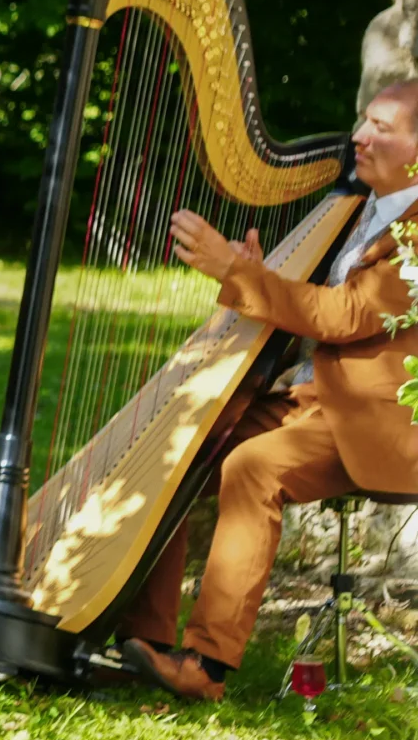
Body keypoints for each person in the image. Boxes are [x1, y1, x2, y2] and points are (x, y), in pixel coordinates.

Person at [118, 81, 418, 701]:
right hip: (308, 401)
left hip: (370, 421)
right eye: (363, 121)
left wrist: (238, 273)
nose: (359, 137)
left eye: (381, 129)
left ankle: (206, 666)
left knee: (253, 466)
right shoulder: (360, 207)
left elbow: (343, 315)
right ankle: (142, 638)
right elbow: (314, 301)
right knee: (180, 444)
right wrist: (259, 273)